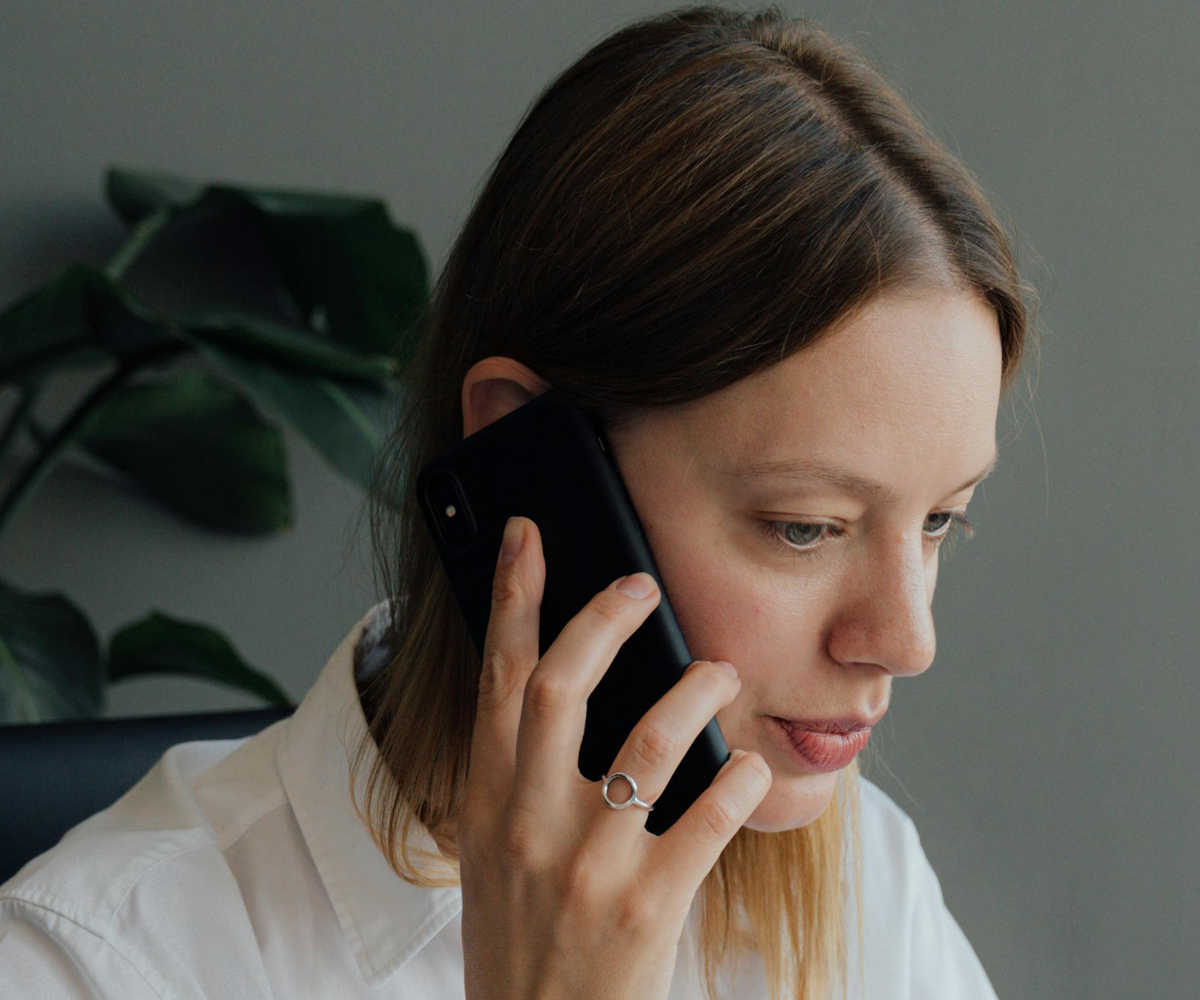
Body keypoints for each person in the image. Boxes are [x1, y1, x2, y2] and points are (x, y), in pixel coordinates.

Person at [0, 5, 1037, 998]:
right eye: (805, 525)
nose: (907, 640)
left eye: (940, 518)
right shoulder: (96, 964)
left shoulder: (862, 878)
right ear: (524, 458)